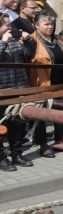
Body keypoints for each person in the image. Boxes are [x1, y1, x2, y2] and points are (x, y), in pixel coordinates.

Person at [28, 12, 63, 157]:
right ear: (37, 25)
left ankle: (59, 139)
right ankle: (43, 145)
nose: (50, 27)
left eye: (52, 24)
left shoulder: (59, 39)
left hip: (61, 82)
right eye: (46, 24)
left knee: (60, 111)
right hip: (41, 83)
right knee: (42, 114)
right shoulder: (32, 40)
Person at [0, 13, 34, 170]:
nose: (10, 27)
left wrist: (29, 41)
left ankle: (17, 154)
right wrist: (2, 43)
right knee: (1, 127)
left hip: (18, 87)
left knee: (17, 124)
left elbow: (28, 55)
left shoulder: (14, 42)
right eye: (6, 25)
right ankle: (1, 158)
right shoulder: (5, 42)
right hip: (2, 91)